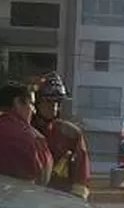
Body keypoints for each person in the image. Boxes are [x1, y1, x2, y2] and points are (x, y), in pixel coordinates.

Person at [31, 72, 92, 200]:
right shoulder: (24, 131)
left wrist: (77, 201)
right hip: (28, 199)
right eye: (48, 102)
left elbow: (81, 176)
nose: (54, 107)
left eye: (57, 102)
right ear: (37, 102)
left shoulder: (71, 134)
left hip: (59, 202)